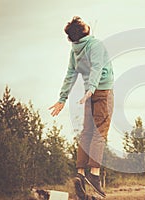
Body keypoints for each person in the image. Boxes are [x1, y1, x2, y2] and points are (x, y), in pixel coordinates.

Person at [49, 16, 114, 199]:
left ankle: (80, 173)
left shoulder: (75, 50)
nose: (87, 23)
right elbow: (97, 68)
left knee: (86, 132)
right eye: (85, 23)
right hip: (101, 92)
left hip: (89, 94)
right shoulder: (95, 45)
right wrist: (92, 88)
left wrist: (62, 98)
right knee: (100, 132)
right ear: (83, 30)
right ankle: (93, 174)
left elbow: (70, 74)